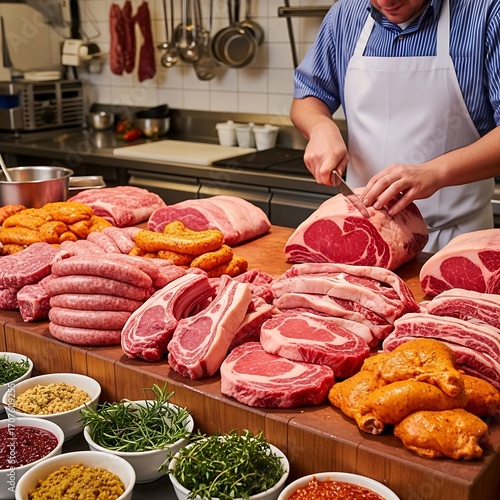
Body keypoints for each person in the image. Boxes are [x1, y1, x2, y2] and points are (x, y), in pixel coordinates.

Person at [290, 0, 500, 252]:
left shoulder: (486, 13)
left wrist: (436, 172)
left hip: (455, 245)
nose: (385, 2)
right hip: (366, 240)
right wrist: (320, 127)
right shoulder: (344, 15)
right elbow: (308, 97)